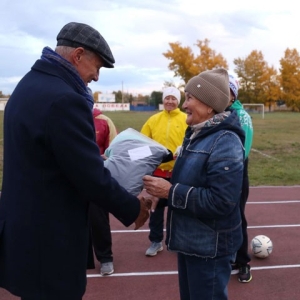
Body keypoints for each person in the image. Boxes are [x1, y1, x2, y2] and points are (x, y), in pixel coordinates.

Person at [0, 22, 150, 300]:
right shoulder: (65, 99)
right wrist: (133, 208)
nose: (95, 76)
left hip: (25, 232)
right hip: (49, 240)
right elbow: (89, 176)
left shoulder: (27, 85)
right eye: (98, 67)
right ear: (78, 55)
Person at [143, 68, 245, 300]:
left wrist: (170, 191)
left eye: (189, 98)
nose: (184, 104)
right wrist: (162, 192)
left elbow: (221, 201)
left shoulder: (225, 141)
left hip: (209, 246)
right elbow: (189, 179)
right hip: (191, 242)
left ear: (210, 105)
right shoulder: (196, 133)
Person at [140, 87, 187, 256]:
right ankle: (155, 241)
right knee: (156, 209)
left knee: (179, 209)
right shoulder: (153, 120)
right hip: (158, 172)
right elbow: (142, 141)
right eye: (167, 98)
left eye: (173, 98)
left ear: (178, 101)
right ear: (163, 100)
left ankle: (178, 241)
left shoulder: (186, 119)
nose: (169, 101)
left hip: (179, 172)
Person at [228, 74, 254, 283]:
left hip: (235, 174)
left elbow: (241, 152)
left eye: (226, 90)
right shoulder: (218, 112)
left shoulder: (241, 115)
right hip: (221, 174)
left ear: (233, 93)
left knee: (237, 218)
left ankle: (243, 261)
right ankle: (231, 257)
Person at [90, 105, 118, 276]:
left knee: (98, 218)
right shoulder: (65, 115)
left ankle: (105, 257)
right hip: (69, 178)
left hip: (95, 177)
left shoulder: (104, 121)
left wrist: (106, 158)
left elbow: (113, 150)